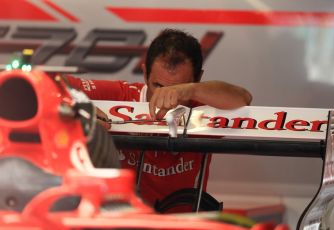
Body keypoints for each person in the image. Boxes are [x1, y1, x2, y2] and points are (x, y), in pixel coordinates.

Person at [66, 29, 252, 210]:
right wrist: (83, 105)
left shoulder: (204, 105)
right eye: (158, 86)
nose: (167, 97)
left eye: (178, 88)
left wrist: (191, 91)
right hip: (126, 219)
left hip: (185, 221)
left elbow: (243, 98)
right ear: (145, 74)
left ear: (198, 78)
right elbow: (51, 84)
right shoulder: (123, 95)